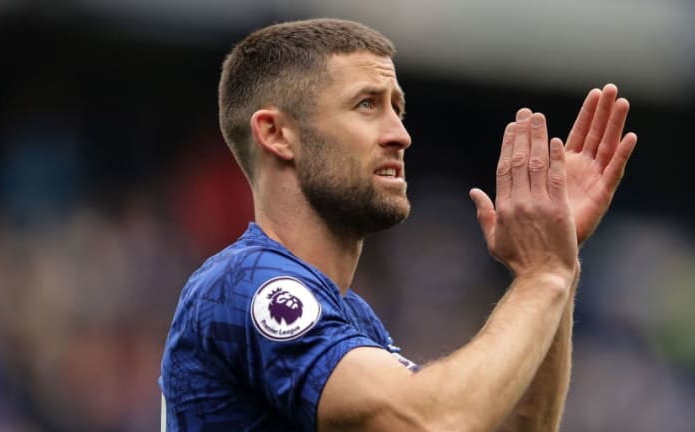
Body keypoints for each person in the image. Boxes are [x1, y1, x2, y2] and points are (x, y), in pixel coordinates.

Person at [159, 18, 637, 432]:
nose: (400, 134)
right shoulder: (245, 284)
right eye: (367, 105)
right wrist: (541, 277)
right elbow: (430, 422)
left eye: (397, 109)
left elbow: (515, 426)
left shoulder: (354, 319)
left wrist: (558, 263)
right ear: (277, 134)